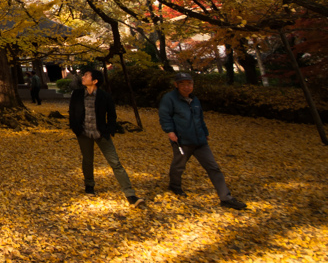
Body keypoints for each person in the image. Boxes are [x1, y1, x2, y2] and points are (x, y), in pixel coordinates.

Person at [158, 72, 247, 209]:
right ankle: (175, 186)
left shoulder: (195, 100)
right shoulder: (169, 98)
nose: (187, 87)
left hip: (200, 141)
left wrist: (205, 133)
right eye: (183, 84)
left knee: (213, 167)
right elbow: (165, 116)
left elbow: (199, 118)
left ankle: (225, 197)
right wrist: (170, 131)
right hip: (182, 140)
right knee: (179, 166)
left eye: (189, 84)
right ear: (176, 85)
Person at [68, 68, 144, 207]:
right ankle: (89, 185)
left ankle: (130, 194)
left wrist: (109, 130)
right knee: (88, 160)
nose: (83, 77)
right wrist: (75, 128)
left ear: (95, 81)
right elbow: (72, 112)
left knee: (115, 162)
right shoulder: (77, 94)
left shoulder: (104, 96)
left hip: (101, 133)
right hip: (83, 133)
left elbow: (112, 115)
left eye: (86, 75)